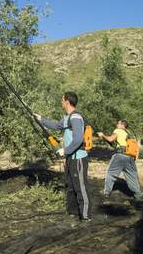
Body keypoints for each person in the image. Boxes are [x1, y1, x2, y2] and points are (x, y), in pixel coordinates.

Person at [34, 92, 92, 221]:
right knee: (70, 186)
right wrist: (41, 119)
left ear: (67, 101)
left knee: (80, 187)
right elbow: (55, 126)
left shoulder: (76, 117)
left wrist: (65, 151)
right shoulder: (67, 118)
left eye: (62, 100)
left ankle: (86, 217)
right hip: (70, 158)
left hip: (78, 158)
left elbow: (78, 140)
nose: (61, 102)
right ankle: (72, 213)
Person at [98, 120, 142, 200]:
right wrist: (135, 159)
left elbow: (111, 139)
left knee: (111, 173)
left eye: (118, 123)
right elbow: (137, 148)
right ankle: (138, 195)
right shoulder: (130, 135)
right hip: (130, 157)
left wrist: (102, 135)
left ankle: (107, 192)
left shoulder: (118, 130)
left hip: (120, 156)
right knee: (132, 176)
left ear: (122, 125)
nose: (116, 124)